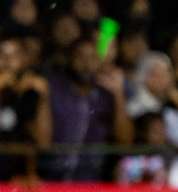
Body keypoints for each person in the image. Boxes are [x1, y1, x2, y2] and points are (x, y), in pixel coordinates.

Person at [44, 37, 132, 181]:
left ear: (100, 62)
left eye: (92, 58)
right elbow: (42, 143)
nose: (86, 63)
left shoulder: (106, 96)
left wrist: (119, 95)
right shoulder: (53, 88)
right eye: (81, 56)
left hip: (91, 180)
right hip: (51, 178)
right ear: (70, 59)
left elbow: (125, 143)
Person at [0, 32, 50, 182]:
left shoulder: (28, 94)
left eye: (14, 55)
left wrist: (43, 97)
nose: (8, 62)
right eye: (3, 55)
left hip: (16, 181)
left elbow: (44, 142)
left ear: (23, 59)